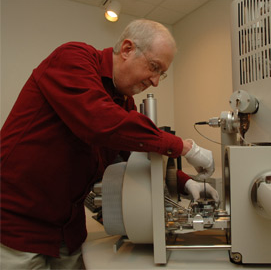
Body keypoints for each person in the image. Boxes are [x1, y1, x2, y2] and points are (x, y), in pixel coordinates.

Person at [0, 19, 218, 269]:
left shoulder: (123, 102)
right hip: (17, 228)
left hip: (67, 231)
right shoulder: (73, 58)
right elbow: (99, 122)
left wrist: (184, 182)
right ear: (127, 49)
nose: (156, 81)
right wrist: (185, 147)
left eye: (162, 74)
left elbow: (136, 154)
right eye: (154, 67)